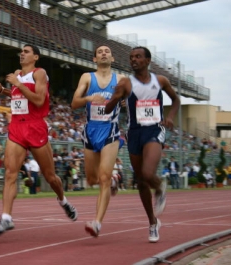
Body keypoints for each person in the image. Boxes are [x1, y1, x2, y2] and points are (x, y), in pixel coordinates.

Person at [0, 44, 77, 235]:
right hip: (17, 127)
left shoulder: (39, 73)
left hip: (35, 126)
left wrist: (18, 84)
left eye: (26, 51)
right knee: (10, 173)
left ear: (35, 57)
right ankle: (6, 218)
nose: (22, 53)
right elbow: (18, 96)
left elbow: (38, 100)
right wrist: (2, 89)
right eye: (21, 51)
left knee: (50, 176)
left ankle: (63, 200)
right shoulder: (16, 73)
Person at [104, 46, 180, 243]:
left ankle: (160, 187)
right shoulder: (126, 83)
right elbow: (107, 109)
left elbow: (176, 100)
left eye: (138, 57)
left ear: (147, 60)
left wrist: (170, 117)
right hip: (134, 133)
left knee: (147, 173)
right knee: (141, 182)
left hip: (155, 129)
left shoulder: (160, 80)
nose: (133, 60)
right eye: (131, 57)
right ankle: (153, 223)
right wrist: (116, 96)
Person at [71, 45, 124, 237]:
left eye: (107, 51)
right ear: (94, 59)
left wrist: (125, 100)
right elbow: (74, 103)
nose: (103, 53)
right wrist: (89, 98)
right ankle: (113, 181)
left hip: (110, 130)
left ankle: (97, 222)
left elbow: (129, 99)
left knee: (102, 177)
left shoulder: (121, 80)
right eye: (100, 52)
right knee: (92, 179)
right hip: (91, 130)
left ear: (112, 58)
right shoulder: (87, 77)